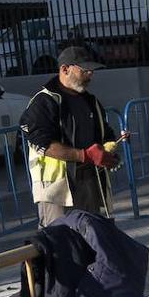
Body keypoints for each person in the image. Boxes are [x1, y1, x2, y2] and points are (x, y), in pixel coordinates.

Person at [19, 46, 124, 227]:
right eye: (85, 70)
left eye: (92, 71)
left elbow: (106, 134)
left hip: (90, 183)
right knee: (61, 242)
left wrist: (109, 153)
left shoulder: (90, 101)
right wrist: (84, 155)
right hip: (58, 190)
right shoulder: (44, 102)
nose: (90, 75)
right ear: (65, 69)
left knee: (93, 236)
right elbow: (42, 143)